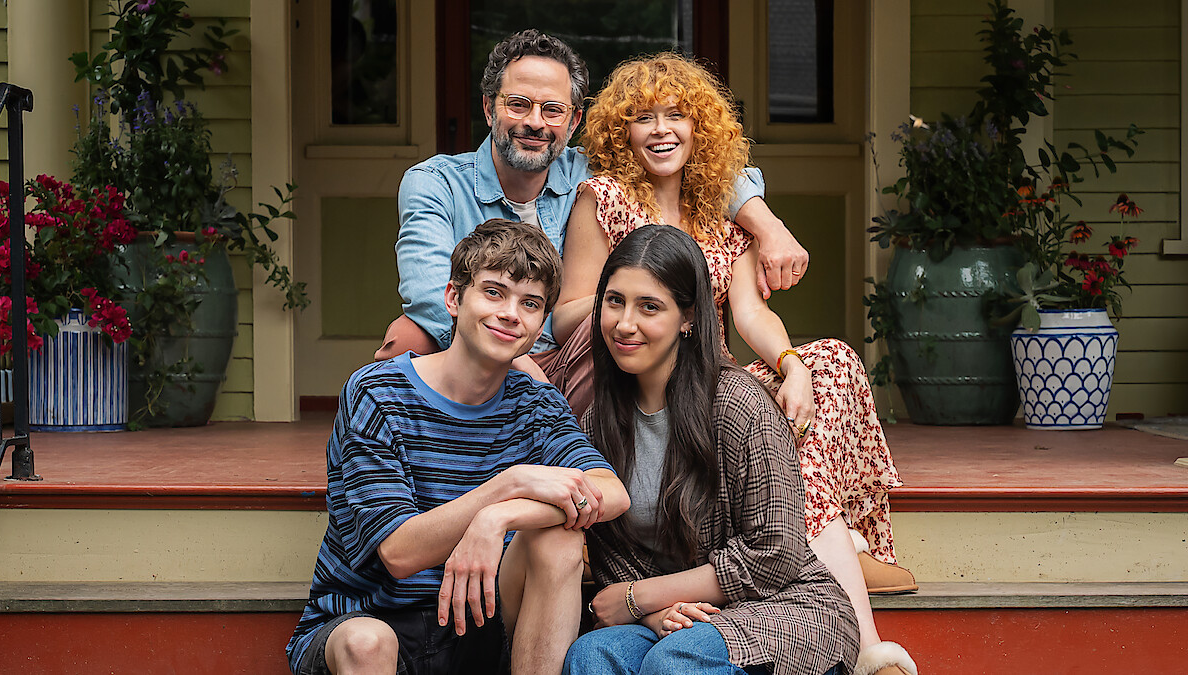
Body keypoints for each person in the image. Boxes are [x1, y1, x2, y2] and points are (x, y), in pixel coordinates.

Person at [554, 54, 917, 675]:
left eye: (678, 116)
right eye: (644, 118)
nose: (662, 129)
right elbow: (566, 317)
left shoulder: (724, 216)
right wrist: (639, 309)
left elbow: (749, 314)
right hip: (624, 372)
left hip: (708, 378)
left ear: (703, 130)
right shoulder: (604, 198)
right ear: (622, 131)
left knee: (830, 363)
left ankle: (825, 558)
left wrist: (788, 362)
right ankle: (830, 552)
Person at [376, 29, 810, 418]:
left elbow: (698, 166)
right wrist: (519, 362)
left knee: (603, 325)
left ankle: (601, 479)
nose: (534, 122)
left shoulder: (589, 172)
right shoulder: (434, 183)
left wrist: (770, 226)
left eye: (552, 109)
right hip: (486, 348)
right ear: (490, 109)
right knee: (406, 337)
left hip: (578, 352)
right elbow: (431, 296)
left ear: (573, 121)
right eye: (518, 104)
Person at [287, 219, 630, 675]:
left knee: (559, 545)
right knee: (366, 643)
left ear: (540, 324)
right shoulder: (378, 394)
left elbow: (612, 492)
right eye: (494, 292)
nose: (511, 313)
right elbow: (399, 552)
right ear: (453, 298)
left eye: (530, 303)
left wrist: (500, 517)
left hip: (482, 622)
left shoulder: (536, 404)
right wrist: (507, 485)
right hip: (376, 618)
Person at [564, 225, 858, 674]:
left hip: (783, 605)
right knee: (593, 656)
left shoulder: (739, 404)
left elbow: (775, 552)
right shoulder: (597, 423)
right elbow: (615, 556)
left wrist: (640, 598)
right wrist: (656, 611)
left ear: (688, 317)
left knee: (676, 661)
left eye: (649, 307)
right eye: (614, 300)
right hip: (677, 617)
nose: (625, 323)